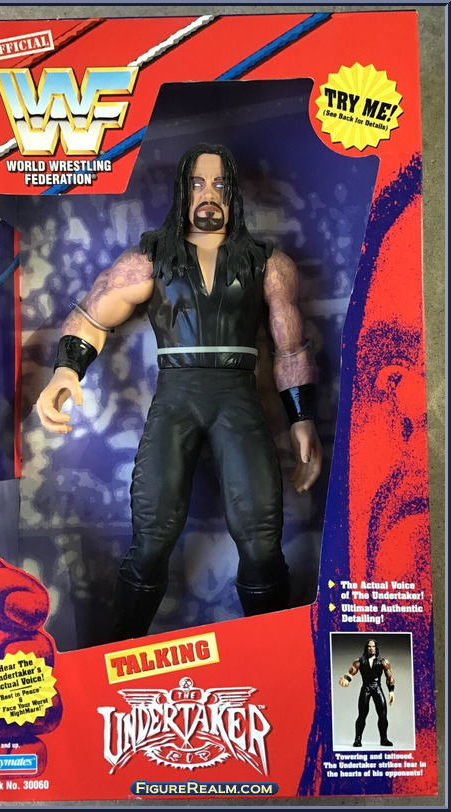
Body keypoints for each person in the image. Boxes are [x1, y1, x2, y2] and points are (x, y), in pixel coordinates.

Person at [36, 143, 322, 641]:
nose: (209, 194)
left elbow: (290, 347)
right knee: (151, 538)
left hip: (237, 398)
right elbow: (92, 315)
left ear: (233, 193)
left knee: (260, 541)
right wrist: (66, 370)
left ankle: (274, 654)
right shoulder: (149, 260)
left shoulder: (268, 264)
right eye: (198, 183)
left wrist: (301, 417)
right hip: (177, 397)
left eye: (219, 184)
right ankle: (120, 653)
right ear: (182, 190)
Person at [339, 638, 395, 747]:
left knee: (383, 715)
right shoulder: (359, 661)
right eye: (369, 646)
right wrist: (346, 679)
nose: (371, 648)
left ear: (376, 648)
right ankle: (357, 739)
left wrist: (391, 691)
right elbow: (351, 673)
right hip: (365, 689)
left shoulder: (383, 662)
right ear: (366, 648)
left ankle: (384, 739)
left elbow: (390, 677)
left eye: (373, 646)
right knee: (362, 715)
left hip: (377, 688)